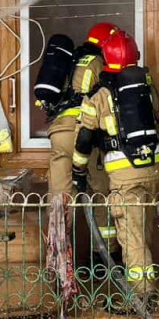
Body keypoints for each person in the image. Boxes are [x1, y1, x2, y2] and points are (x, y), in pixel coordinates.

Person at [71, 30, 159, 302]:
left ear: (106, 59)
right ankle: (148, 288)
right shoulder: (149, 88)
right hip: (155, 168)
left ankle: (144, 297)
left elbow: (84, 140)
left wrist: (78, 171)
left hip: (125, 175)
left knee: (132, 237)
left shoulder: (100, 95)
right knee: (144, 231)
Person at [45, 23, 117, 241]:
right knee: (101, 191)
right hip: (83, 133)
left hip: (58, 132)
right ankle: (106, 257)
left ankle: (57, 258)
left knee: (60, 197)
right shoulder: (99, 63)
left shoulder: (70, 60)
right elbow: (104, 101)